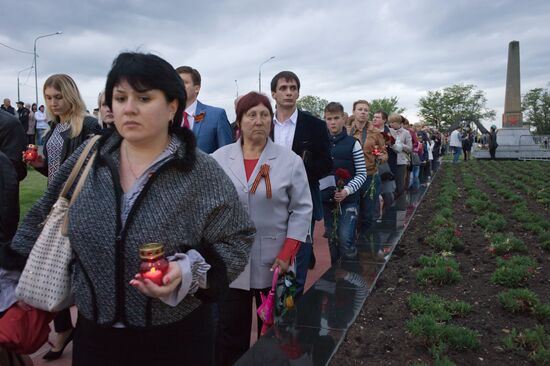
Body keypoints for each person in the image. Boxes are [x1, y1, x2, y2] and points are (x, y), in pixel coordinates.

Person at [11, 52, 255, 366]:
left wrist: (185, 271)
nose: (129, 108)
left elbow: (237, 238)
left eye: (143, 97)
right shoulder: (88, 158)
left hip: (177, 339)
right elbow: (40, 217)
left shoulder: (200, 170)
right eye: (120, 97)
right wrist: (9, 278)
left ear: (172, 107)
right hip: (95, 337)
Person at [212, 91, 312, 366]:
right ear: (240, 121)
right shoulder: (218, 159)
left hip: (275, 260)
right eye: (251, 115)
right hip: (232, 260)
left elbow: (302, 208)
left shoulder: (289, 160)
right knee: (229, 332)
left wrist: (289, 250)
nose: (259, 121)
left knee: (275, 332)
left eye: (265, 114)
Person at [24, 74, 101, 360]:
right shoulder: (53, 129)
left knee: (79, 267)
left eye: (58, 96)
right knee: (54, 267)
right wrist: (40, 163)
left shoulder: (88, 125)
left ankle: (84, 331)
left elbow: (91, 169)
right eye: (49, 98)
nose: (54, 103)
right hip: (55, 204)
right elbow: (55, 171)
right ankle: (65, 327)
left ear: (70, 94)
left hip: (78, 205)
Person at [269, 71, 332, 297]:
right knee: (272, 253)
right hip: (269, 200)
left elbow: (327, 163)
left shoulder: (314, 125)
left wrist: (300, 171)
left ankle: (291, 310)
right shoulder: (264, 122)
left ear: (298, 92)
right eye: (284, 88)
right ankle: (273, 303)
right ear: (274, 93)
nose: (288, 92)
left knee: (298, 258)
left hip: (302, 199)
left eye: (293, 88)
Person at [321, 102, 366, 262]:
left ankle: (352, 275)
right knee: (333, 243)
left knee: (345, 240)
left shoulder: (353, 143)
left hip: (349, 201)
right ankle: (337, 280)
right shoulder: (320, 144)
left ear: (343, 118)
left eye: (336, 118)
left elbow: (362, 173)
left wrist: (347, 190)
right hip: (327, 201)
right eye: (329, 119)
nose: (332, 122)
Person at [175, 66, 233, 153]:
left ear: (197, 88)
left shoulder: (216, 116)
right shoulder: (167, 117)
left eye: (184, 82)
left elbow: (227, 155)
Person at [357, 113, 388, 231]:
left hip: (370, 174)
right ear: (355, 112)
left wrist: (380, 157)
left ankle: (366, 239)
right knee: (353, 210)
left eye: (365, 110)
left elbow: (383, 152)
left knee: (368, 211)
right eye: (360, 109)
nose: (363, 112)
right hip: (351, 176)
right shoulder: (347, 130)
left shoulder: (375, 133)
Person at [387, 114, 412, 198]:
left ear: (399, 123)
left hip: (400, 161)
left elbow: (409, 148)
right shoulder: (388, 131)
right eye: (390, 122)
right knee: (389, 184)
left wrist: (399, 145)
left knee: (400, 183)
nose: (391, 124)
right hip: (389, 160)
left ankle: (400, 203)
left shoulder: (406, 133)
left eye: (393, 122)